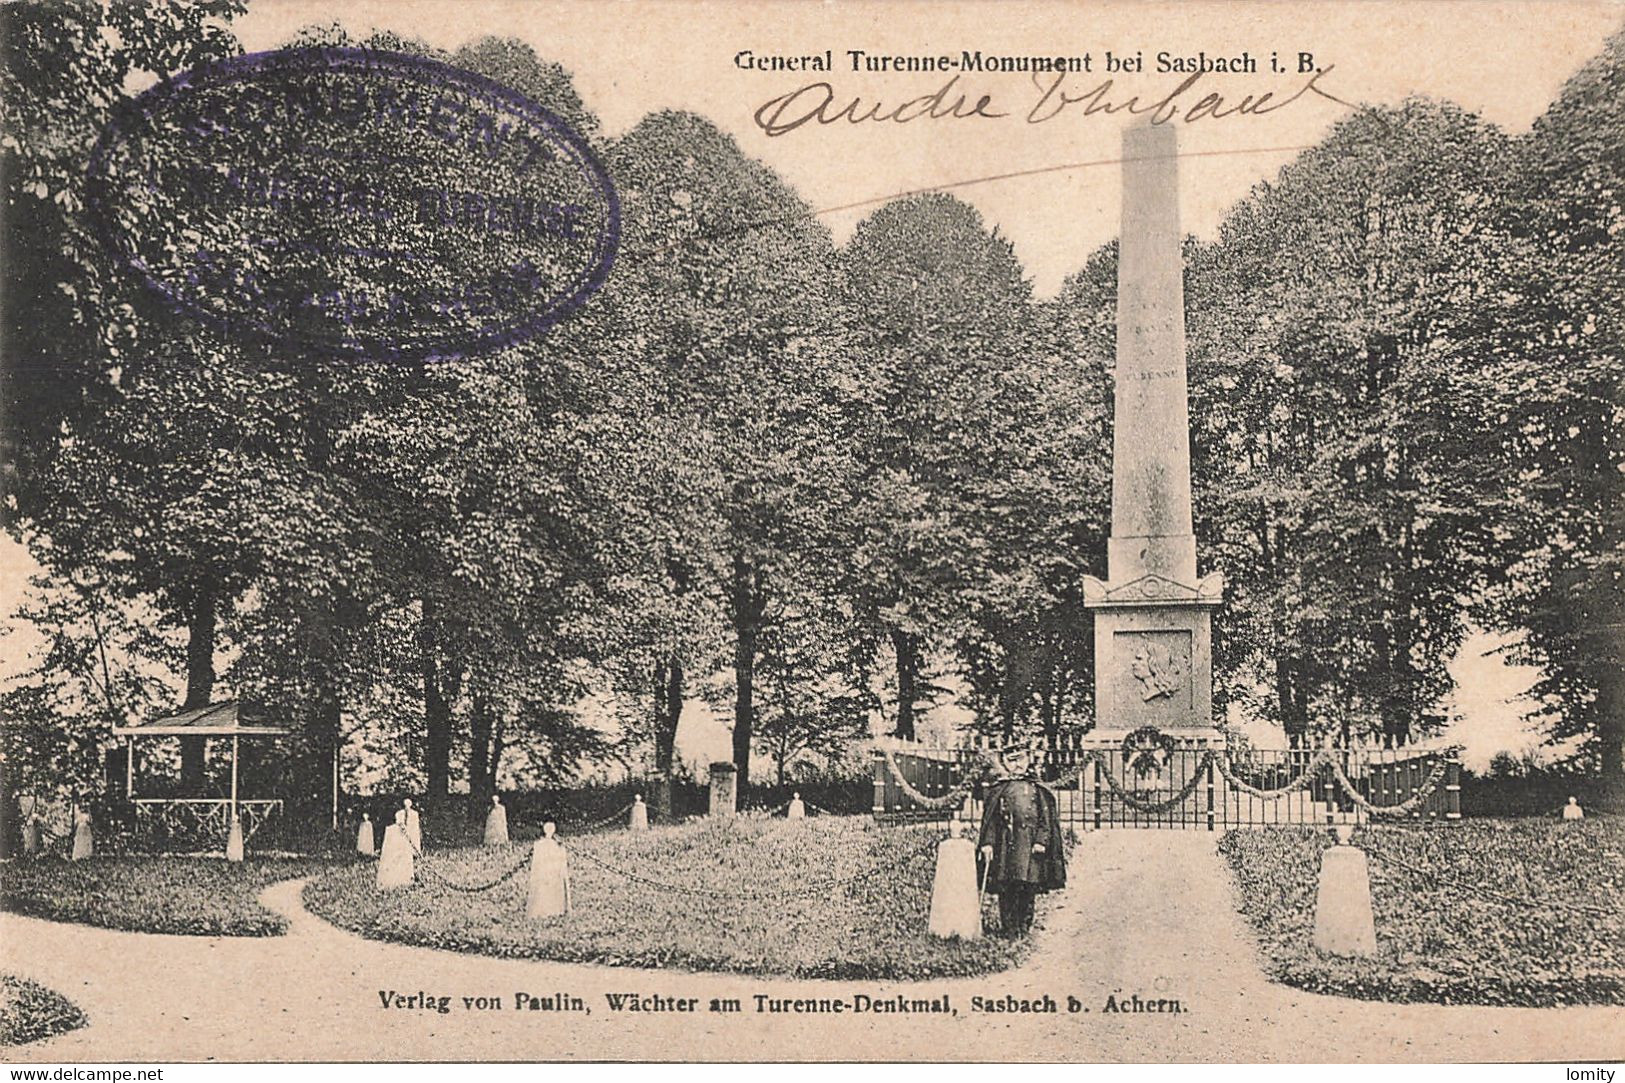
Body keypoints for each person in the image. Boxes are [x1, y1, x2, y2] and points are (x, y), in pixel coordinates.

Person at [978, 743, 1066, 937]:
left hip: (1029, 846)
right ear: (1005, 762)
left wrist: (1041, 841)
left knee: (1027, 886)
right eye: (1012, 760)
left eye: (1021, 759)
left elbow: (1045, 819)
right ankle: (1009, 928)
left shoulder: (1037, 788)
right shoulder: (999, 788)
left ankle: (1024, 927)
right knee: (1006, 886)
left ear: (1028, 760)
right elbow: (991, 820)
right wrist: (988, 843)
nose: (1017, 765)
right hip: (1005, 845)